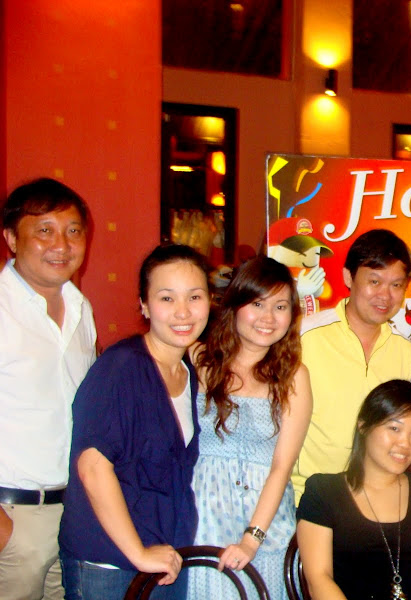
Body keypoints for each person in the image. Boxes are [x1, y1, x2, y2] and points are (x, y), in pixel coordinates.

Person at [59, 244, 211, 599]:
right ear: (144, 305)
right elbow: (93, 467)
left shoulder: (188, 371)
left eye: (194, 297)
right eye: (166, 298)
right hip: (111, 564)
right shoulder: (121, 367)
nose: (183, 312)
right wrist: (138, 553)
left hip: (165, 559)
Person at [189, 257, 312, 598]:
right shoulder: (199, 360)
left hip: (265, 524)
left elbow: (281, 467)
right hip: (204, 517)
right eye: (257, 303)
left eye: (280, 306)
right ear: (235, 304)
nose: (268, 317)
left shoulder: (293, 377)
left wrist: (252, 538)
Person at [0, 178, 96, 600]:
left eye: (73, 231)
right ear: (11, 238)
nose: (62, 244)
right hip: (13, 516)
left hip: (69, 513)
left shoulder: (80, 307)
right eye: (44, 230)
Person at [296, 380, 411, 600]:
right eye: (394, 429)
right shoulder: (323, 492)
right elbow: (319, 580)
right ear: (363, 425)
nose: (405, 444)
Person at [291, 229, 411, 503]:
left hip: (373, 501)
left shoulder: (404, 350)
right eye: (374, 281)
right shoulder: (304, 335)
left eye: (396, 285)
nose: (385, 295)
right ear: (348, 277)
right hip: (305, 497)